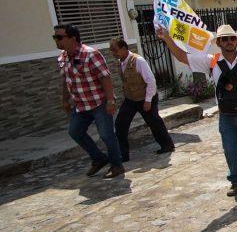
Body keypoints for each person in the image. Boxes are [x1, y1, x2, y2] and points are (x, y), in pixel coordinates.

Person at [157, 24, 237, 196]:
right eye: (224, 39)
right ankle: (236, 181)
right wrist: (167, 38)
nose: (229, 42)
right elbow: (184, 57)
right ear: (218, 43)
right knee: (230, 149)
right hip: (226, 115)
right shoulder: (212, 61)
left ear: (236, 41)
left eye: (232, 38)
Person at [55, 24, 124, 179]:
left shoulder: (90, 54)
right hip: (80, 105)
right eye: (55, 37)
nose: (57, 41)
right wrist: (65, 100)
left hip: (98, 102)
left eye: (60, 37)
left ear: (73, 38)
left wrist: (111, 101)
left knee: (106, 134)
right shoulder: (63, 58)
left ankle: (116, 165)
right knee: (75, 131)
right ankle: (98, 158)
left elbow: (105, 77)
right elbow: (65, 80)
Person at [108, 38, 174, 162]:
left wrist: (148, 100)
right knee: (120, 124)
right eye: (111, 51)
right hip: (131, 99)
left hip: (146, 97)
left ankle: (167, 145)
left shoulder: (138, 61)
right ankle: (123, 154)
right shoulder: (120, 62)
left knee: (154, 122)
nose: (113, 53)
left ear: (123, 48)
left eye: (115, 50)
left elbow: (151, 81)